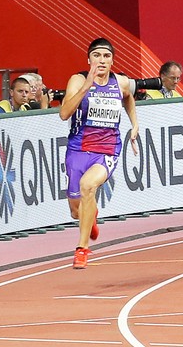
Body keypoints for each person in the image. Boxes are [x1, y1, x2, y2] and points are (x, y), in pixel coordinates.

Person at [58, 38, 141, 269]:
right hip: (77, 149)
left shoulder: (120, 82)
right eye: (97, 56)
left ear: (112, 60)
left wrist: (134, 125)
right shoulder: (77, 80)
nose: (101, 60)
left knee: (88, 186)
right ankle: (90, 215)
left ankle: (82, 250)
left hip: (106, 149)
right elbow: (64, 114)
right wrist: (86, 86)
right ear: (89, 59)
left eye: (106, 56)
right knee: (76, 211)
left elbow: (129, 99)